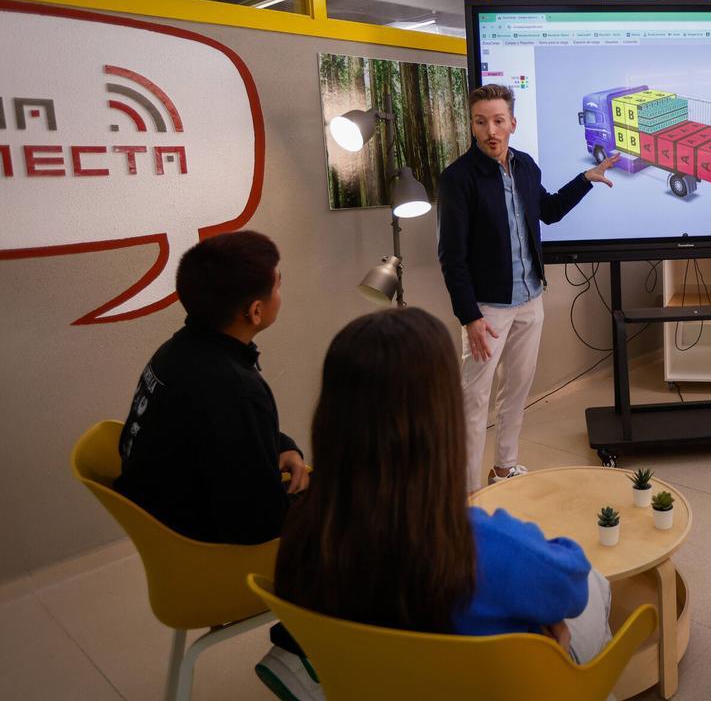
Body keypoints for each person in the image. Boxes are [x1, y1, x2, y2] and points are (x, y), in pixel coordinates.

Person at [274, 308, 613, 668]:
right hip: (488, 685)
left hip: (370, 683)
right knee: (596, 584)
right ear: (439, 421)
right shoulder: (478, 545)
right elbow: (571, 586)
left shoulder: (304, 530)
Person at [112, 231, 319, 701]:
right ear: (255, 312)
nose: (282, 290)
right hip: (206, 554)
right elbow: (255, 523)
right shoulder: (233, 386)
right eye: (279, 283)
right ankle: (299, 651)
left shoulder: (180, 351)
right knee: (359, 514)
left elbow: (216, 433)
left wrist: (281, 446)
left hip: (174, 525)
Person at [438, 83, 620, 491]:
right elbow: (452, 257)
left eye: (498, 121)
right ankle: (468, 494)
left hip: (530, 299)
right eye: (481, 122)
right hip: (487, 310)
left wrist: (585, 179)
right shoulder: (457, 179)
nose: (490, 131)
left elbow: (549, 211)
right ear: (472, 125)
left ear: (512, 123)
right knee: (473, 401)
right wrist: (470, 317)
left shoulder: (525, 166)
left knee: (516, 391)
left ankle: (504, 467)